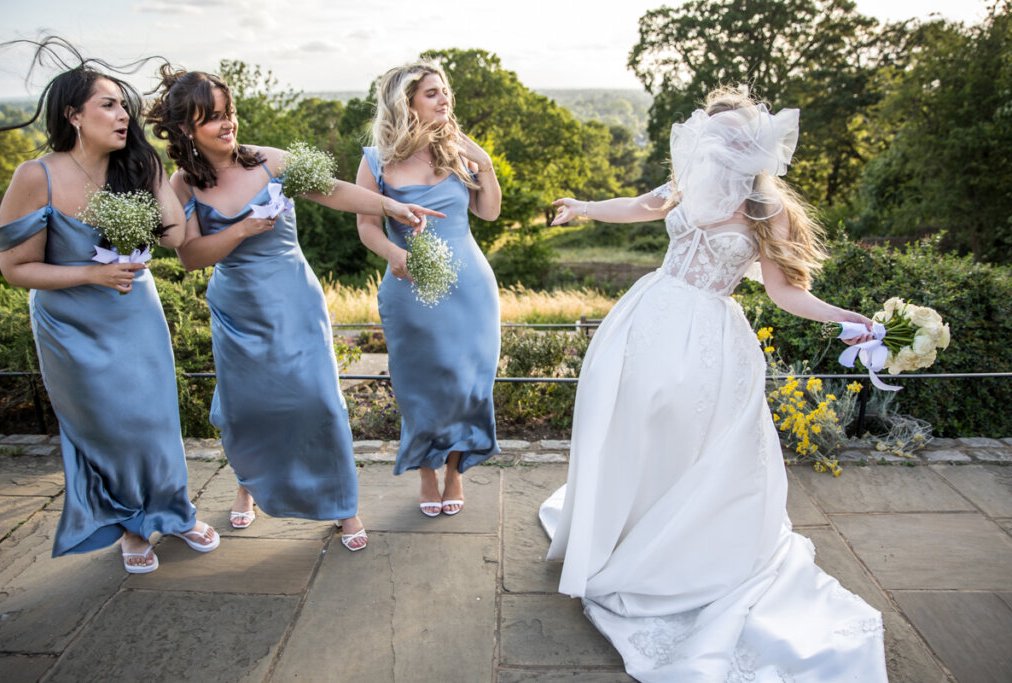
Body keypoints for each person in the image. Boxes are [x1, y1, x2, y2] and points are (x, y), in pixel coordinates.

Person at [537, 87, 888, 681]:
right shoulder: (690, 178)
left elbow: (784, 291)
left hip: (710, 336)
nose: (711, 143)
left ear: (749, 145)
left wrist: (847, 318)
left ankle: (678, 553)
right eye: (709, 133)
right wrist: (587, 206)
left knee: (692, 439)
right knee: (633, 425)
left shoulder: (764, 209)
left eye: (724, 136)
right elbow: (644, 207)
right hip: (649, 317)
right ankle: (625, 528)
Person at [147, 67, 443, 551]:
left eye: (230, 113)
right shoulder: (183, 186)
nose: (229, 125)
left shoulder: (270, 162)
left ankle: (343, 507)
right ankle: (248, 485)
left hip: (296, 303)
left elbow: (334, 190)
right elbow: (190, 256)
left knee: (320, 403)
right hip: (238, 311)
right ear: (185, 130)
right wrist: (243, 229)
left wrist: (389, 208)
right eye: (214, 119)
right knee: (249, 408)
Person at [0, 40, 218, 574]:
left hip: (135, 312)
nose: (122, 115)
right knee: (106, 423)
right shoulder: (35, 176)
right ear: (73, 115)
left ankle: (173, 510)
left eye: (124, 106)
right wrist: (91, 272)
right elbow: (16, 269)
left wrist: (154, 169)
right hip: (71, 324)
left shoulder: (133, 167)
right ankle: (129, 523)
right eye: (108, 105)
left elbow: (172, 239)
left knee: (155, 417)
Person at [355, 60, 502, 517]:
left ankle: (455, 469)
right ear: (407, 103)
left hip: (471, 287)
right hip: (411, 286)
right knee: (418, 383)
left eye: (444, 92)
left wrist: (486, 164)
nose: (444, 100)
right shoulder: (375, 159)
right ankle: (425, 470)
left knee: (469, 383)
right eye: (432, 93)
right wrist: (393, 255)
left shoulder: (457, 153)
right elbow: (366, 226)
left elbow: (489, 213)